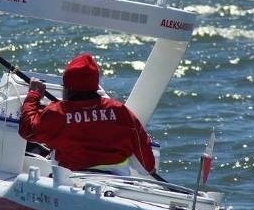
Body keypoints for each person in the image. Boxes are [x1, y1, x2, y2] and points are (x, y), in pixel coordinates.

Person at [18, 53, 155, 174]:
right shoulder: (120, 111)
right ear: (95, 85)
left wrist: (33, 95)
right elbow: (142, 146)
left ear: (68, 88)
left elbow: (27, 130)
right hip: (118, 181)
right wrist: (150, 168)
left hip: (70, 179)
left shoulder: (57, 112)